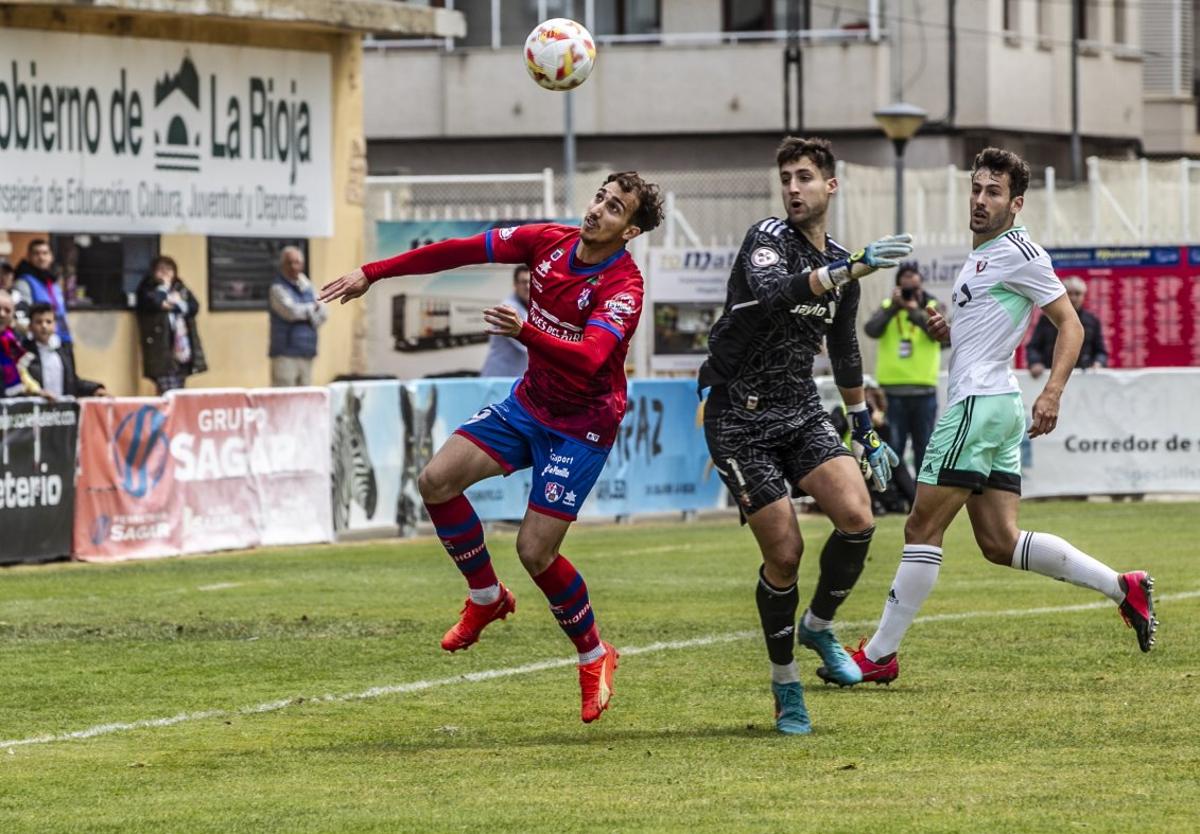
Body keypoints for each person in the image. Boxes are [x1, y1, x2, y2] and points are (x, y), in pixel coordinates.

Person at [320, 172, 665, 724]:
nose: (598, 209)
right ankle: (486, 597)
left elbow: (592, 357)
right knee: (436, 480)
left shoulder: (624, 285)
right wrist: (372, 272)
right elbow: (459, 251)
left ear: (632, 230)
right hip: (529, 404)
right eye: (600, 196)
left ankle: (594, 655)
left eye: (616, 207)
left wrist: (526, 332)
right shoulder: (547, 241)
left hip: (582, 425)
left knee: (535, 552)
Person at [831, 147, 1156, 688]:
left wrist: (1052, 392)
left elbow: (1069, 326)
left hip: (978, 406)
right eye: (977, 190)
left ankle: (880, 655)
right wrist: (949, 334)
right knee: (1000, 543)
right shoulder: (985, 252)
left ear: (1016, 203)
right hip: (994, 404)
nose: (980, 200)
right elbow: (988, 334)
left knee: (920, 527)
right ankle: (1124, 587)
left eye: (994, 192)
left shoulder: (1020, 252)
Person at [697, 136, 911, 735]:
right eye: (786, 178)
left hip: (798, 409)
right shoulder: (767, 238)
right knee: (785, 554)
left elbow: (844, 353)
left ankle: (818, 626)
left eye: (805, 178)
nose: (792, 188)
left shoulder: (845, 261)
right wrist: (849, 268)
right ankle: (785, 683)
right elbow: (771, 294)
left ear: (830, 187)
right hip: (738, 417)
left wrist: (864, 430)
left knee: (858, 517)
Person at [863, 263, 942, 477]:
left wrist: (913, 310)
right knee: (892, 447)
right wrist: (893, 308)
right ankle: (894, 497)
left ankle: (920, 497)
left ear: (921, 287)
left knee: (924, 448)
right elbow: (871, 329)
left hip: (923, 390)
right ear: (897, 287)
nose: (910, 294)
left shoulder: (932, 306)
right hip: (891, 392)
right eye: (905, 289)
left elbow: (943, 338)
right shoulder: (889, 306)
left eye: (914, 290)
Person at [136, 256, 206, 395]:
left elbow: (194, 307)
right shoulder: (148, 288)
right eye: (161, 270)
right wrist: (164, 288)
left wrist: (177, 306)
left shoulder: (180, 288)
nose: (165, 273)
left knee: (180, 387)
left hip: (182, 346)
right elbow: (156, 303)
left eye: (169, 270)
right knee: (167, 389)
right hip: (160, 346)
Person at [1026, 276, 1107, 377]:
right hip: (1050, 375)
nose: (1073, 298)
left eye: (1077, 294)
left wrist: (1098, 363)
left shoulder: (1092, 321)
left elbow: (1101, 352)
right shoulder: (1046, 319)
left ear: (1083, 296)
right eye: (1069, 293)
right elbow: (1033, 347)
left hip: (1083, 378)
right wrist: (1035, 362)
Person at [270, 246, 328, 387]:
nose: (293, 266)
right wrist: (311, 309)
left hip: (307, 351)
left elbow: (324, 312)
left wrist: (309, 310)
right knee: (285, 398)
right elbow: (291, 312)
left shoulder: (307, 285)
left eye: (297, 262)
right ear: (283, 265)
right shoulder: (277, 287)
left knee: (305, 399)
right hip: (285, 353)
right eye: (289, 262)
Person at [22, 303, 107, 399]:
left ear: (55, 325)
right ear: (30, 326)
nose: (44, 326)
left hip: (63, 410)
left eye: (48, 322)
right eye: (39, 322)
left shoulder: (64, 350)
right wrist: (37, 393)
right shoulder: (22, 351)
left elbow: (72, 382)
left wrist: (94, 389)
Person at [13, 239, 70, 362]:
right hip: (40, 345)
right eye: (37, 253)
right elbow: (23, 318)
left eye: (45, 253)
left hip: (62, 340)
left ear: (51, 257)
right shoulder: (24, 282)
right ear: (29, 256)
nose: (41, 257)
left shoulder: (52, 282)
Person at [479, 265, 531, 377]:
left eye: (530, 282)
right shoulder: (507, 309)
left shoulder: (529, 307)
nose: (527, 286)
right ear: (515, 285)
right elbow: (527, 345)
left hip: (512, 378)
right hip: (498, 380)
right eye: (523, 282)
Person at [0, 289, 41, 398]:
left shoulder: (13, 342)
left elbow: (22, 373)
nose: (2, 314)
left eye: (7, 310)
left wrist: (38, 391)